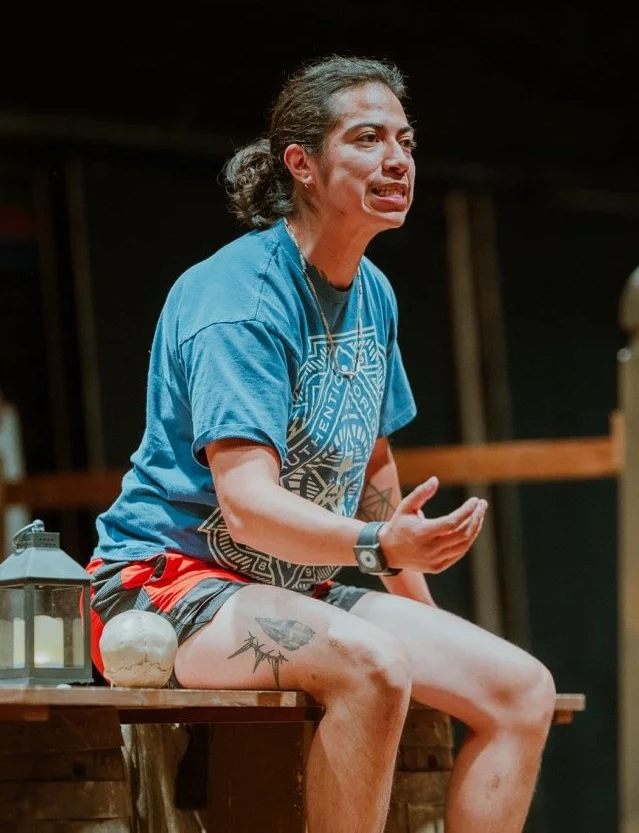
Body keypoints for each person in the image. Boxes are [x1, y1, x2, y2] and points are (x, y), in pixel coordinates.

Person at [87, 55, 556, 833]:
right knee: (373, 667)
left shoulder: (373, 292)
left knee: (520, 688)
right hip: (163, 590)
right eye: (368, 139)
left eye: (405, 140)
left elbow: (373, 469)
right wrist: (378, 543)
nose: (397, 159)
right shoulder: (238, 298)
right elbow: (247, 507)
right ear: (301, 164)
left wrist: (431, 617)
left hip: (292, 592)